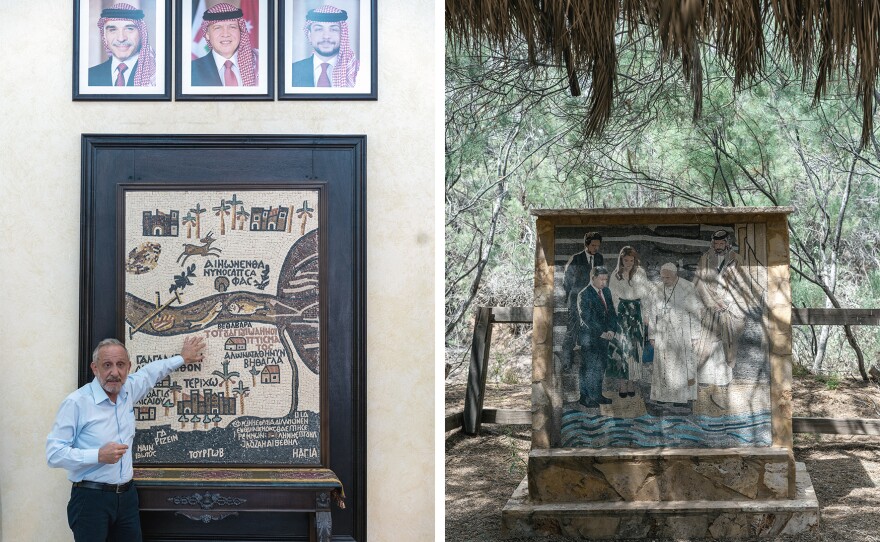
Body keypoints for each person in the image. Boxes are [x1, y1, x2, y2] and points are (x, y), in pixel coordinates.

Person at [47, 336, 205, 541]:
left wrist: (182, 358)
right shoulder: (76, 403)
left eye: (120, 365)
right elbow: (54, 455)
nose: (114, 372)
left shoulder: (128, 389)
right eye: (107, 365)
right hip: (90, 499)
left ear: (128, 367)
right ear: (95, 368)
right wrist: (97, 455)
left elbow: (151, 373)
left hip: (127, 497)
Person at [693, 229, 752, 409]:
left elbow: (743, 285)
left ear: (727, 243)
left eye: (721, 244)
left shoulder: (738, 260)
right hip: (710, 311)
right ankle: (703, 392)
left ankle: (724, 391)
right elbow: (699, 283)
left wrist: (729, 304)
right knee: (705, 349)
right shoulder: (705, 259)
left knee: (727, 349)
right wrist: (711, 303)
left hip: (730, 309)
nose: (718, 247)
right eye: (716, 244)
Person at [648, 263, 701, 406]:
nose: (665, 280)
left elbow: (695, 312)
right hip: (662, 333)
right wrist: (652, 335)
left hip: (682, 332)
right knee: (663, 366)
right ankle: (664, 396)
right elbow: (652, 313)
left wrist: (695, 335)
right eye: (662, 277)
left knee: (681, 366)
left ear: (675, 275)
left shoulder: (687, 287)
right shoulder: (657, 289)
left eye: (668, 277)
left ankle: (681, 398)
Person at [607, 246, 651, 398]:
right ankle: (622, 383)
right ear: (621, 260)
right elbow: (612, 296)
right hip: (622, 312)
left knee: (635, 349)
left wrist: (646, 315)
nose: (628, 263)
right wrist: (614, 315)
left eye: (631, 260)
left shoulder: (640, 272)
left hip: (637, 311)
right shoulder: (615, 274)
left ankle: (631, 382)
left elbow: (645, 295)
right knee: (622, 349)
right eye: (626, 260)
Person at [559, 232, 603, 375]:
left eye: (598, 245)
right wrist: (574, 294)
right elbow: (567, 281)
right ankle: (566, 363)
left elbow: (601, 278)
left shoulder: (600, 258)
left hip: (592, 301)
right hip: (575, 300)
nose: (595, 248)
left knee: (591, 331)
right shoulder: (576, 259)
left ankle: (590, 365)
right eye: (593, 245)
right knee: (572, 330)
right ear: (586, 244)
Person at [576, 266, 617, 408]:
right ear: (592, 278)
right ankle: (585, 397)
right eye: (601, 279)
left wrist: (612, 330)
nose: (604, 282)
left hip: (605, 337)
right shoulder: (584, 294)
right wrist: (602, 332)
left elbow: (611, 311)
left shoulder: (606, 291)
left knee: (601, 366)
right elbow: (586, 318)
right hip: (590, 337)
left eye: (606, 279)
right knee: (588, 367)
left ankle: (597, 395)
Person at [88, 3, 157, 87]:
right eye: (113, 30)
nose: (121, 38)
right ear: (105, 36)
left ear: (141, 34)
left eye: (129, 29)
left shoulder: (156, 75)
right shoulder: (89, 76)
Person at [292, 5, 359, 87]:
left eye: (333, 29)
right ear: (309, 36)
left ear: (343, 35)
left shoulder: (357, 71)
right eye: (319, 29)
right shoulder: (292, 71)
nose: (326, 36)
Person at [192, 3, 258, 86]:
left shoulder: (261, 63)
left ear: (241, 31)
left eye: (232, 27)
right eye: (218, 27)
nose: (226, 34)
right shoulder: (191, 71)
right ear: (207, 34)